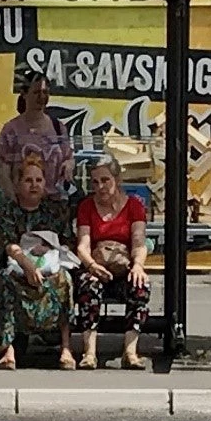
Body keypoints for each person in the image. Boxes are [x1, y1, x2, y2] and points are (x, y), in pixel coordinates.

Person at [0, 155, 76, 370]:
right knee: (5, 281)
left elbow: (66, 242)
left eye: (38, 180)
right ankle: (8, 349)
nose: (34, 185)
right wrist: (28, 264)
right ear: (18, 184)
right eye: (28, 180)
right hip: (17, 266)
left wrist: (48, 250)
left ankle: (66, 348)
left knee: (64, 280)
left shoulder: (55, 210)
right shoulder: (8, 211)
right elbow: (8, 244)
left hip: (51, 264)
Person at [74, 155, 151, 370]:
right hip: (96, 263)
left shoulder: (134, 206)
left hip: (122, 263)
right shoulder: (86, 207)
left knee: (140, 285)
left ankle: (130, 351)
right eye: (95, 182)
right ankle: (89, 352)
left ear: (117, 179)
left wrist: (138, 265)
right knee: (89, 285)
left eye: (105, 180)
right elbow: (82, 245)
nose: (100, 187)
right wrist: (92, 266)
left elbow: (138, 241)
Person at [0, 71, 74, 205]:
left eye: (45, 92)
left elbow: (69, 157)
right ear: (25, 94)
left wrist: (68, 165)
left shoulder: (58, 127)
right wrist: (11, 198)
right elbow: (3, 169)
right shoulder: (11, 129)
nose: (42, 97)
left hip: (53, 202)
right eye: (37, 92)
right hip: (22, 202)